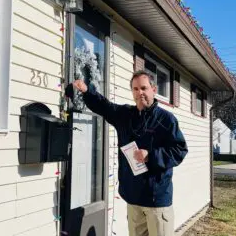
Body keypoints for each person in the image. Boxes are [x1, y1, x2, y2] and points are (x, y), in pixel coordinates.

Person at [71, 70, 188, 236]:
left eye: (144, 88)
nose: (140, 92)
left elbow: (180, 150)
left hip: (157, 201)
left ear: (153, 90)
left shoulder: (166, 119)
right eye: (135, 89)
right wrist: (86, 91)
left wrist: (150, 156)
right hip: (133, 198)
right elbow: (104, 106)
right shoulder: (125, 115)